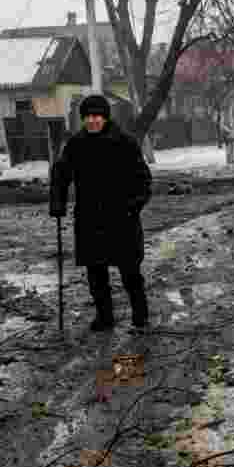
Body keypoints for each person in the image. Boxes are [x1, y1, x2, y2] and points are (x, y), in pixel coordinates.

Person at [48, 94, 153, 332]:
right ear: (83, 119)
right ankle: (104, 317)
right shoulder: (76, 144)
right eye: (88, 117)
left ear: (105, 117)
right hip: (90, 217)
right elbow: (61, 175)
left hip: (121, 217)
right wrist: (57, 203)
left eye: (97, 116)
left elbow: (142, 178)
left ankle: (140, 315)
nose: (93, 121)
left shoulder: (125, 142)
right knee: (95, 273)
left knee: (130, 271)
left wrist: (134, 206)